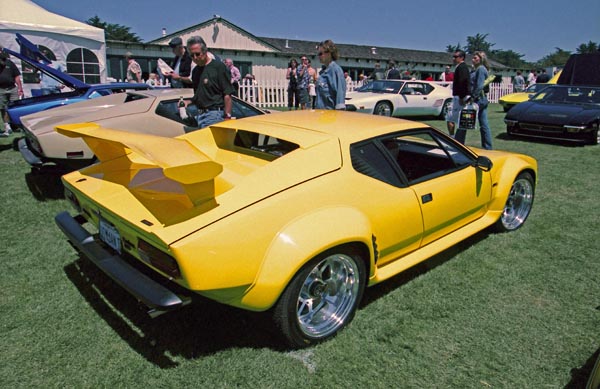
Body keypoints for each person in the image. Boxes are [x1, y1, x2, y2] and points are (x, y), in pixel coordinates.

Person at [187, 36, 234, 128]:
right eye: (192, 55)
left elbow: (227, 93)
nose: (195, 57)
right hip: (199, 115)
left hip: (214, 115)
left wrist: (227, 116)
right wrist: (188, 102)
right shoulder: (195, 71)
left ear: (205, 52)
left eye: (197, 54)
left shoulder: (218, 67)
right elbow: (198, 95)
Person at [455, 51, 492, 150]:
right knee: (483, 124)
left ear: (481, 59)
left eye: (475, 58)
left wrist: (472, 98)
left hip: (477, 100)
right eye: (473, 58)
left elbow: (479, 86)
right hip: (481, 99)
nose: (473, 59)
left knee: (464, 121)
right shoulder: (476, 69)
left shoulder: (480, 69)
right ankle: (488, 147)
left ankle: (458, 144)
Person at [315, 40, 346, 110]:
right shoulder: (322, 72)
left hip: (330, 116)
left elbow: (340, 94)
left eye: (320, 54)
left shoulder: (335, 70)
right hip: (321, 114)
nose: (318, 56)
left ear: (329, 53)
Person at [446, 50, 470, 137]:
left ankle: (453, 138)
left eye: (455, 57)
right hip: (459, 96)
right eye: (453, 56)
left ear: (461, 58)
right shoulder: (459, 67)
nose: (453, 58)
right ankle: (456, 138)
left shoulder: (462, 67)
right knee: (456, 119)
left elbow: (463, 82)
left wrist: (461, 97)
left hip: (459, 97)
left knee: (450, 118)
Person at [0, 52, 23, 136]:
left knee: (15, 107)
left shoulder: (10, 63)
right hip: (1, 90)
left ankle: (17, 126)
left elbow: (16, 76)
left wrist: (20, 88)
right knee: (3, 108)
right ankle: (7, 127)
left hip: (12, 88)